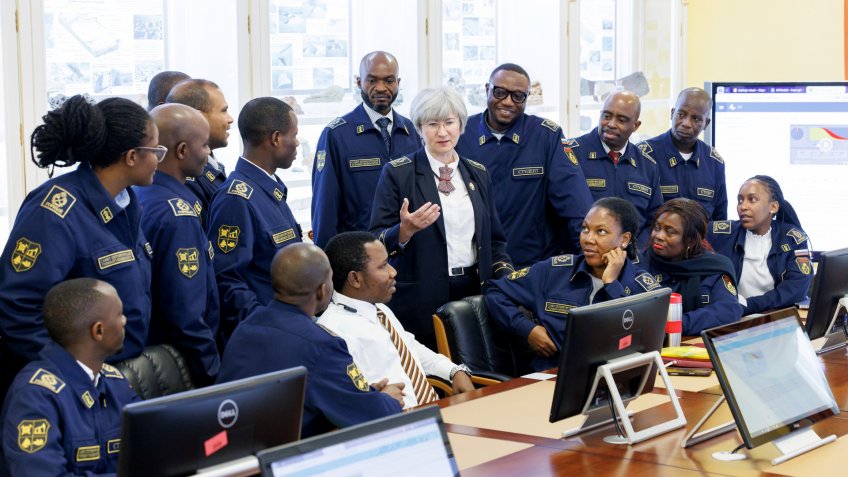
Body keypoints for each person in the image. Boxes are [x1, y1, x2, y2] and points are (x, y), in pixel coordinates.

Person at [0, 95, 156, 399]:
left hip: (115, 375)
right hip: (65, 388)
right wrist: (76, 375)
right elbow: (18, 309)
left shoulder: (126, 204)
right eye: (156, 151)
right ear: (131, 157)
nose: (159, 160)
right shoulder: (54, 211)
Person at [370, 86, 513, 349]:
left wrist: (508, 280)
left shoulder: (478, 173)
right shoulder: (398, 173)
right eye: (433, 124)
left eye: (449, 122)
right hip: (421, 296)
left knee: (475, 363)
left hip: (474, 290)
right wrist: (404, 231)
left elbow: (495, 240)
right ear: (419, 128)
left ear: (461, 125)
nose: (443, 132)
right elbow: (374, 239)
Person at [217, 243, 403, 438]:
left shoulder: (246, 328)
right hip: (292, 451)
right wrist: (387, 400)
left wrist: (363, 394)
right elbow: (374, 417)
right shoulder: (321, 345)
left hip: (237, 445)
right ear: (322, 290)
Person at [485, 197, 659, 371]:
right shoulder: (554, 271)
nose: (588, 239)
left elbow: (635, 339)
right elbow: (495, 291)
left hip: (614, 377)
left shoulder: (643, 287)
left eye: (601, 231)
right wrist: (527, 329)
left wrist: (611, 284)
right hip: (553, 375)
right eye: (585, 229)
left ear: (624, 239)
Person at [455, 63, 594, 267]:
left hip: (531, 265)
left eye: (518, 96)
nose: (508, 102)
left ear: (527, 97)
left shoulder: (546, 136)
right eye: (500, 92)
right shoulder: (460, 134)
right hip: (473, 263)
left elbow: (575, 204)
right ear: (487, 89)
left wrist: (589, 258)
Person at [319, 232, 475, 409]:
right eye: (383, 266)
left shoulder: (379, 309)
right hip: (398, 420)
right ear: (355, 279)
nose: (393, 272)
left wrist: (453, 371)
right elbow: (347, 402)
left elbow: (409, 347)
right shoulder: (333, 333)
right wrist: (377, 399)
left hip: (431, 411)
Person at [0, 278, 140, 476]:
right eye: (119, 314)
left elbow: (149, 443)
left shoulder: (114, 382)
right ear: (98, 331)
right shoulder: (34, 396)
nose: (125, 320)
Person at [135, 103, 220, 384]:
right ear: (182, 150)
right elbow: (186, 315)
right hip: (181, 367)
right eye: (205, 145)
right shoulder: (178, 215)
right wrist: (213, 374)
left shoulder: (140, 193)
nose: (208, 152)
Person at [207, 97, 303, 339]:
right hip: (268, 334)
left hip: (291, 324)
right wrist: (267, 326)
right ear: (276, 138)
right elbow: (227, 281)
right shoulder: (236, 199)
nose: (297, 143)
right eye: (294, 135)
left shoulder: (268, 188)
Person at [311, 51, 421, 247]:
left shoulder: (412, 131)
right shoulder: (337, 135)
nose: (381, 88)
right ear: (359, 82)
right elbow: (325, 205)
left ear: (398, 82)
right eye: (372, 80)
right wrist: (326, 259)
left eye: (389, 80)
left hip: (406, 250)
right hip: (359, 254)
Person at [567, 90, 663, 248]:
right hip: (582, 253)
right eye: (606, 116)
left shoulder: (647, 165)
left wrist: (633, 251)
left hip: (631, 257)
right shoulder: (571, 154)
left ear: (635, 125)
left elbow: (653, 221)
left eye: (621, 120)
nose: (611, 124)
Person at [707, 175, 813, 315]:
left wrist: (748, 305)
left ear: (773, 207)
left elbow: (796, 290)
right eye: (740, 200)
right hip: (732, 316)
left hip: (776, 316)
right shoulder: (720, 234)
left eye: (752, 199)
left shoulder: (792, 238)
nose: (743, 206)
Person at [643, 198, 743, 335]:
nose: (658, 236)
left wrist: (676, 325)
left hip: (695, 342)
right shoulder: (640, 263)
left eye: (669, 231)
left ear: (690, 240)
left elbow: (728, 310)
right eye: (657, 228)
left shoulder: (715, 267)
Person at [639, 87, 728, 220]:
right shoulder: (644, 155)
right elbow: (637, 214)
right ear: (672, 114)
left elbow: (719, 220)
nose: (686, 123)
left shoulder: (714, 162)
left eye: (696, 119)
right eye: (681, 114)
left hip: (701, 234)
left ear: (706, 123)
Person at [166, 79, 234, 223]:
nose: (230, 119)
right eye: (224, 111)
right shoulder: (188, 177)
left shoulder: (211, 164)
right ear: (199, 117)